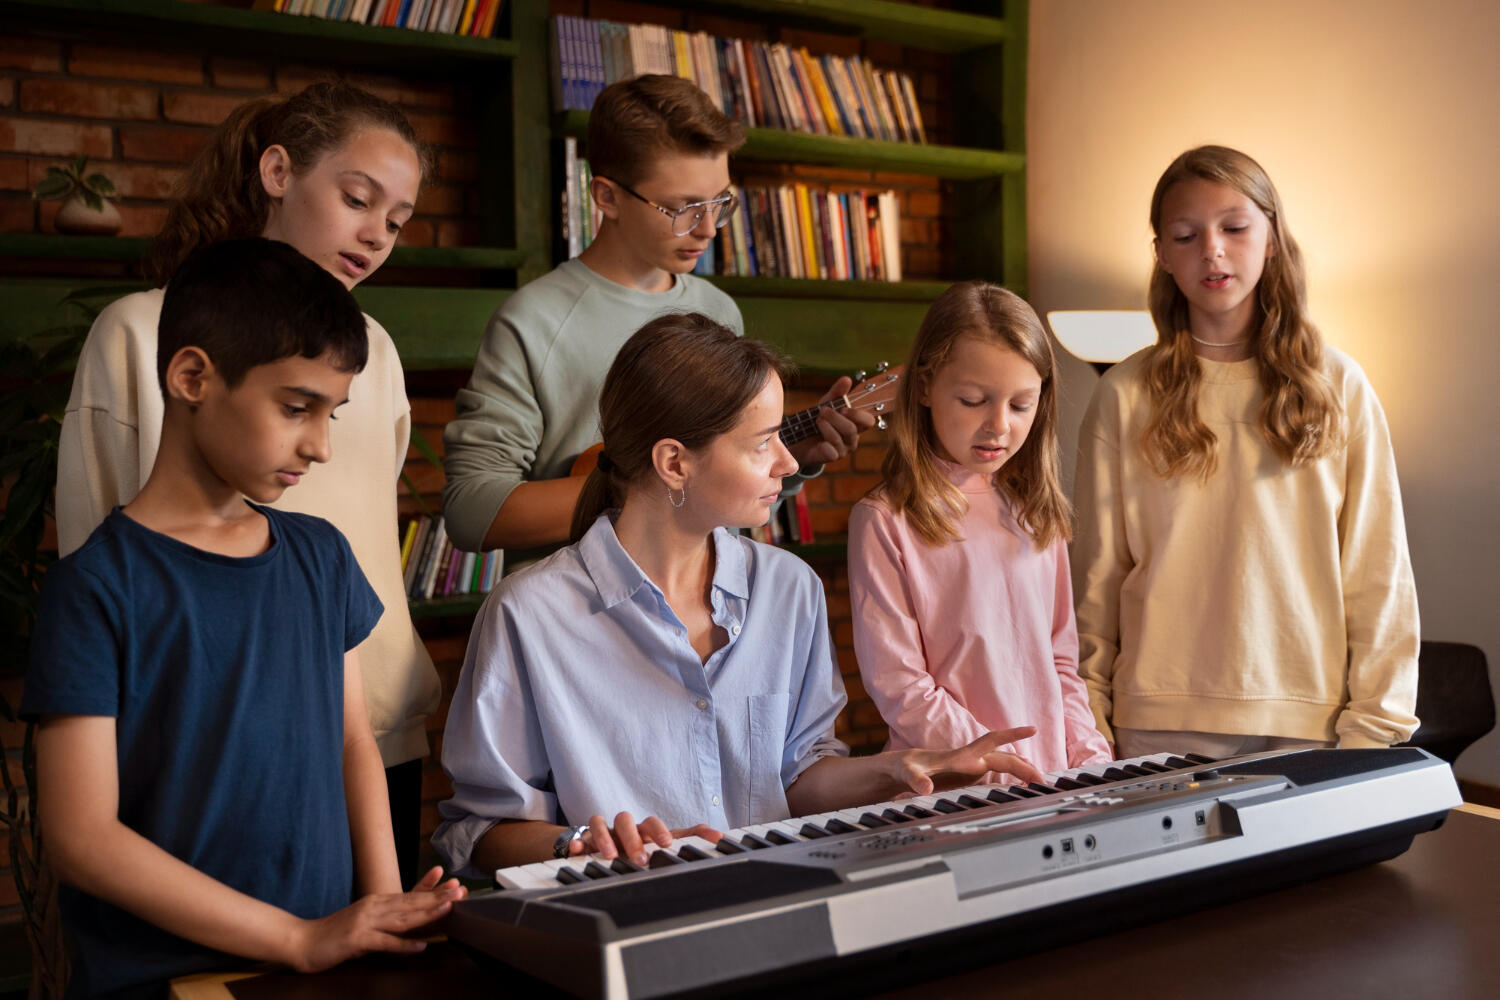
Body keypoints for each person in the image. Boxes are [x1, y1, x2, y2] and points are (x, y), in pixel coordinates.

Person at [433, 313, 1043, 874]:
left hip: (777, 903)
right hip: (622, 922)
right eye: (762, 444)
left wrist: (904, 767)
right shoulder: (528, 613)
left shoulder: (790, 589)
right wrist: (580, 844)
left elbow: (798, 781)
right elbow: (478, 833)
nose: (788, 463)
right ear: (675, 463)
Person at [24, 239, 465, 997]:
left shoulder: (321, 555)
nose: (320, 446)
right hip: (166, 982)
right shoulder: (94, 588)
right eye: (296, 408)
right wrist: (297, 938)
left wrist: (384, 909)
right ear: (192, 378)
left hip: (319, 967)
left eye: (332, 413)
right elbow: (81, 839)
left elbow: (353, 740)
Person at [54, 81, 441, 885]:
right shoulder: (139, 332)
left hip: (370, 731)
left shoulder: (376, 351)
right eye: (358, 200)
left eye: (398, 221)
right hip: (206, 747)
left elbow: (368, 525)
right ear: (277, 172)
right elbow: (96, 554)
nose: (376, 235)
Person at [441, 74, 874, 570]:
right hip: (574, 606)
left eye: (719, 203)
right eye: (682, 208)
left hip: (704, 602)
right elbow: (472, 511)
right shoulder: (532, 320)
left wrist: (788, 457)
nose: (708, 229)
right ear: (606, 197)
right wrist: (650, 488)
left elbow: (712, 508)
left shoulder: (718, 312)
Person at [1072, 145, 1419, 760]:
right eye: (1186, 236)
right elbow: (1095, 584)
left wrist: (1374, 727)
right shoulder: (1123, 395)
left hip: (1311, 725)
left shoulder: (1338, 386)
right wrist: (1087, 725)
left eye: (1234, 227)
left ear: (1273, 238)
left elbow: (1378, 573)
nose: (1212, 250)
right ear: (1161, 255)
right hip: (1155, 722)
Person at [847, 282, 1111, 775]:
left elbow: (1060, 663)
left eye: (1021, 405)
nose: (999, 425)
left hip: (1047, 782)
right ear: (924, 386)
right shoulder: (884, 520)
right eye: (973, 400)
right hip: (956, 787)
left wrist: (1091, 760)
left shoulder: (1036, 513)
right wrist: (993, 763)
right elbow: (900, 684)